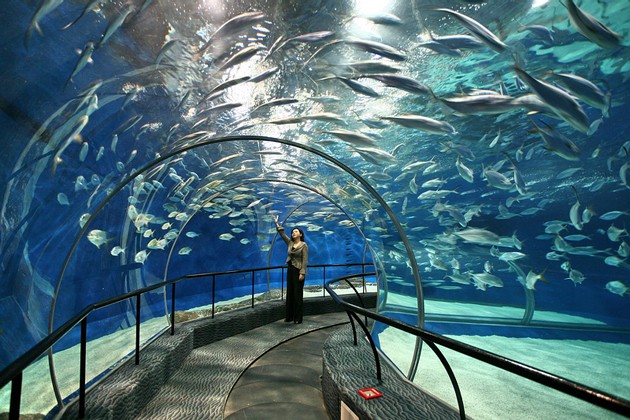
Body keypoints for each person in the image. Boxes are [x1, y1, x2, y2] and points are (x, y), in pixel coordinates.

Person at [275, 215, 308, 324]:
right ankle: (289, 316)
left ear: (300, 234)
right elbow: (282, 233)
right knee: (290, 293)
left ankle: (298, 318)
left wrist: (302, 273)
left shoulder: (304, 245)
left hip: (298, 271)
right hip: (290, 269)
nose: (293, 233)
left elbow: (304, 260)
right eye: (293, 232)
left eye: (296, 231)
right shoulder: (290, 243)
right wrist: (277, 224)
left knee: (297, 294)